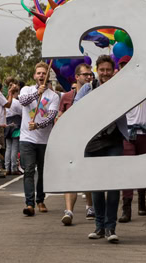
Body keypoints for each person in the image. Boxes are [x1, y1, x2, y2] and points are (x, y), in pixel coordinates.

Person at [76, 55, 126, 243]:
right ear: (97, 70)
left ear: (113, 71)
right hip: (92, 142)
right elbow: (75, 108)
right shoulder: (88, 89)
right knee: (96, 186)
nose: (105, 73)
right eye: (102, 70)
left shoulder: (119, 90)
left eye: (108, 70)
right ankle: (99, 227)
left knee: (113, 186)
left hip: (114, 141)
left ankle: (111, 227)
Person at [17, 62, 60, 216]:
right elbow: (22, 101)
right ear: (35, 75)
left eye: (44, 73)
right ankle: (29, 204)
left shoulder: (54, 96)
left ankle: (40, 200)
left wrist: (38, 125)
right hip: (27, 138)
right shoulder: (26, 90)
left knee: (42, 172)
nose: (41, 75)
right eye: (39, 73)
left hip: (44, 140)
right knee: (28, 170)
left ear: (48, 76)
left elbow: (51, 117)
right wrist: (37, 93)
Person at [116, 56, 146, 222]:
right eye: (123, 66)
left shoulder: (145, 83)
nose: (126, 68)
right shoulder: (118, 87)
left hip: (144, 133)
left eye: (128, 65)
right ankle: (126, 207)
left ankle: (141, 201)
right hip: (127, 133)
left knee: (142, 169)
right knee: (128, 170)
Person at [61, 63, 95, 225]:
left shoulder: (95, 93)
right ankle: (69, 211)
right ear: (77, 77)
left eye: (90, 74)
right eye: (85, 74)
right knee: (70, 174)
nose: (89, 77)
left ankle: (90, 206)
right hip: (70, 139)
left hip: (89, 138)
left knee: (87, 174)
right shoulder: (67, 97)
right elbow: (59, 115)